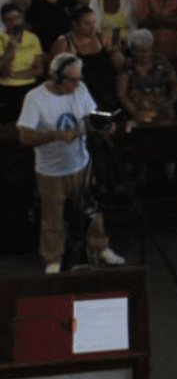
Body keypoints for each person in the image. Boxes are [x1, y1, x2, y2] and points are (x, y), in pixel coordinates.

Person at [17, 53, 127, 274]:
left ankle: (100, 247)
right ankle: (53, 259)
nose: (77, 84)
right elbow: (24, 136)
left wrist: (103, 124)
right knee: (52, 218)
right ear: (57, 77)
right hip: (51, 171)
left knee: (92, 210)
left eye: (79, 79)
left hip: (81, 164)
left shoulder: (80, 90)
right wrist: (55, 136)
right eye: (72, 79)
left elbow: (89, 116)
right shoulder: (35, 98)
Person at [116, 29, 177, 125]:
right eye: (141, 52)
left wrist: (170, 101)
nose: (145, 55)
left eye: (148, 50)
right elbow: (121, 94)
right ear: (133, 50)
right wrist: (135, 113)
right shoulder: (127, 66)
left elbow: (175, 83)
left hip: (161, 107)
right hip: (138, 109)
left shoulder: (160, 60)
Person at [0, 4, 44, 123]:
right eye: (10, 20)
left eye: (17, 18)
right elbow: (2, 71)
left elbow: (39, 70)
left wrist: (15, 74)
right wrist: (11, 48)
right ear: (4, 22)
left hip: (29, 85)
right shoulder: (1, 38)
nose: (15, 23)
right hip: (6, 87)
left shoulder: (33, 38)